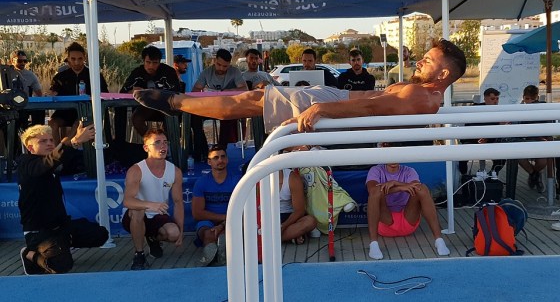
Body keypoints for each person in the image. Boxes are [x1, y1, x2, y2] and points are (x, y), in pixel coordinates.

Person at [134, 39, 466, 134]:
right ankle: (177, 103)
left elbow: (370, 107)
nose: (419, 62)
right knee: (254, 97)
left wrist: (321, 108)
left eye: (427, 61)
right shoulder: (426, 94)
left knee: (250, 102)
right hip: (336, 98)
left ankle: (175, 103)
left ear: (442, 74)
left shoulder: (421, 96)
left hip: (334, 101)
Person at [18, 122, 109, 275]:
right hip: (38, 231)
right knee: (61, 266)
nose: (49, 143)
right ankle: (29, 254)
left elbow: (57, 159)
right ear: (30, 147)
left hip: (60, 227)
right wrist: (75, 141)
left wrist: (74, 143)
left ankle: (61, 246)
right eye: (43, 141)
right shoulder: (26, 163)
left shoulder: (51, 163)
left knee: (100, 234)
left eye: (51, 140)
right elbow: (45, 164)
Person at [366, 146, 450, 260]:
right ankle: (374, 244)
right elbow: (372, 190)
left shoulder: (409, 170)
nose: (393, 159)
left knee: (422, 188)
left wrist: (395, 182)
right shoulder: (376, 170)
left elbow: (417, 187)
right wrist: (400, 187)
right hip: (385, 222)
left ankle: (439, 240)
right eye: (389, 155)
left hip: (408, 221)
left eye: (396, 155)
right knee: (375, 192)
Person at [122, 128, 184, 270]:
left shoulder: (175, 171)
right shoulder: (136, 170)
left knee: (173, 233)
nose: (163, 146)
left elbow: (178, 202)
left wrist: (181, 231)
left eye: (165, 142)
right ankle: (139, 254)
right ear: (146, 148)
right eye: (157, 142)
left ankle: (152, 238)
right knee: (138, 211)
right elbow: (127, 201)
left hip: (158, 215)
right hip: (135, 216)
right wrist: (150, 205)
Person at [190, 49, 247, 158]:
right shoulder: (206, 72)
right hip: (211, 106)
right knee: (194, 118)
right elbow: (195, 90)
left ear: (229, 64)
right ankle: (202, 150)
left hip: (229, 107)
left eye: (225, 66)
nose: (221, 68)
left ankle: (221, 150)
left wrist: (227, 92)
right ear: (214, 61)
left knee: (227, 117)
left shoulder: (235, 72)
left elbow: (244, 89)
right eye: (219, 65)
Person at [48, 42, 109, 144]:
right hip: (65, 112)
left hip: (86, 112)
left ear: (84, 58)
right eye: (73, 59)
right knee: (52, 123)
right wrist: (51, 94)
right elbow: (53, 92)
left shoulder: (94, 75)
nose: (76, 62)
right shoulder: (60, 76)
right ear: (68, 59)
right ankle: (56, 151)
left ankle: (65, 146)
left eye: (80, 59)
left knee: (79, 122)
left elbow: (105, 94)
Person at [191, 145, 241, 266]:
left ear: (227, 160)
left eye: (223, 157)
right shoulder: (201, 182)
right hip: (209, 221)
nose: (220, 160)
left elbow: (242, 209)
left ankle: (221, 254)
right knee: (209, 234)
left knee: (224, 235)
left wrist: (223, 224)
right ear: (209, 162)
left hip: (231, 221)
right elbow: (197, 214)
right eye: (216, 158)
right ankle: (214, 256)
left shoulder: (237, 181)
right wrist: (223, 218)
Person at [116, 45, 180, 139]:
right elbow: (122, 92)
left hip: (166, 106)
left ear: (159, 62)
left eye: (155, 63)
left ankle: (166, 142)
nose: (151, 66)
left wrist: (155, 93)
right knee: (136, 118)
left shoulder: (168, 72)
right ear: (143, 61)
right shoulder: (137, 73)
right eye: (148, 62)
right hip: (145, 107)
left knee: (170, 118)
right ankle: (151, 141)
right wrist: (132, 91)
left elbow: (177, 91)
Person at [459, 87, 506, 175]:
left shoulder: (500, 111)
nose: (495, 101)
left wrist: (488, 138)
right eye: (492, 99)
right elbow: (469, 126)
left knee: (502, 157)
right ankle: (464, 176)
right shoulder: (475, 109)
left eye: (497, 99)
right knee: (462, 155)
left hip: (491, 141)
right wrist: (479, 137)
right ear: (485, 98)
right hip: (473, 140)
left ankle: (492, 175)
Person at [517, 85, 549, 192]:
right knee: (519, 158)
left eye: (532, 99)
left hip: (539, 141)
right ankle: (535, 174)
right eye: (527, 99)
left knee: (542, 162)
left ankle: (533, 174)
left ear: (537, 98)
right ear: (523, 98)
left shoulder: (543, 108)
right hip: (525, 141)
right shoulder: (518, 109)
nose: (530, 102)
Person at [279, 168, 318, 244]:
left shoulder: (292, 178)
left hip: (287, 217)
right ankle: (288, 237)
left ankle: (266, 238)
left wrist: (283, 226)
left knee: (310, 221)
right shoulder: (258, 177)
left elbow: (299, 211)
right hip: (265, 217)